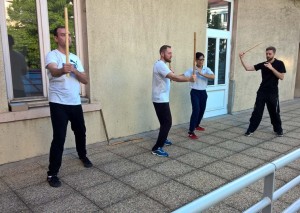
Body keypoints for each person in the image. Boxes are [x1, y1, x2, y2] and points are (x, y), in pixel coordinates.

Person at [45, 26, 92, 187]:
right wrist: (61, 69)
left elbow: (85, 80)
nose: (67, 37)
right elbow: (53, 70)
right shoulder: (52, 55)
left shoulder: (75, 58)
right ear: (56, 38)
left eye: (69, 35)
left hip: (75, 102)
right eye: (63, 35)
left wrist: (74, 71)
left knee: (81, 131)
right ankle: (52, 174)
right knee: (59, 138)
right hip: (58, 103)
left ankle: (83, 155)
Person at [152, 45, 196, 157]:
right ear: (162, 54)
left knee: (164, 122)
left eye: (171, 53)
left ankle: (164, 138)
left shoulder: (161, 65)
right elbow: (175, 78)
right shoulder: (161, 65)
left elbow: (171, 78)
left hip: (161, 98)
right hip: (160, 99)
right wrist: (189, 79)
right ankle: (157, 147)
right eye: (169, 53)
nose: (171, 55)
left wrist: (172, 76)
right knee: (167, 122)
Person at [239, 46, 286, 137]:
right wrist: (241, 59)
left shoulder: (280, 63)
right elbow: (248, 68)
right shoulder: (263, 64)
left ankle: (278, 130)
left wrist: (271, 68)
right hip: (262, 92)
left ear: (274, 54)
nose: (268, 55)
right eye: (266, 53)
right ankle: (251, 129)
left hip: (273, 92)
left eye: (270, 54)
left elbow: (281, 77)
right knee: (257, 111)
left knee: (274, 112)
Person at [183, 52, 215, 139]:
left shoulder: (206, 69)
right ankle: (191, 131)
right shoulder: (192, 69)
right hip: (195, 92)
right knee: (196, 110)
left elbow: (213, 76)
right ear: (196, 60)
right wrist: (172, 76)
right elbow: (183, 75)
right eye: (199, 59)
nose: (201, 61)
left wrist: (202, 74)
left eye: (202, 59)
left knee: (202, 110)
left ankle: (197, 125)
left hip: (203, 92)